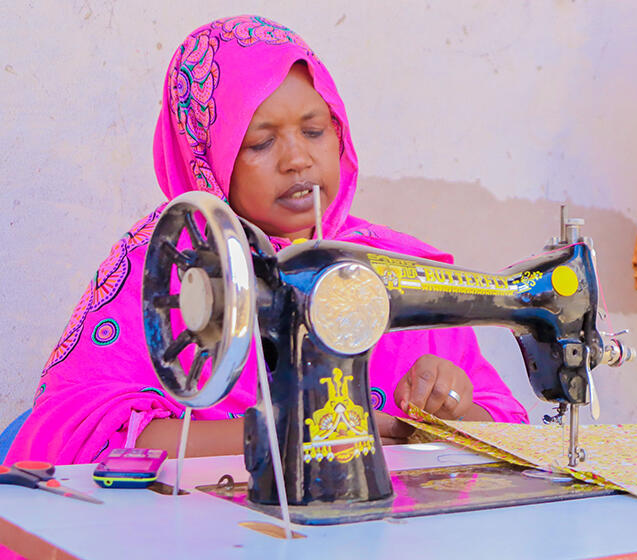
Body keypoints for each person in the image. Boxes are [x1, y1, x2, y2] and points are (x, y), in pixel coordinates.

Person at [5, 15, 527, 465]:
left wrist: (456, 407)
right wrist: (291, 436)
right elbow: (77, 439)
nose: (296, 159)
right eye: (261, 142)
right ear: (207, 159)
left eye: (315, 131)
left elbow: (508, 436)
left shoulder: (401, 268)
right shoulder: (162, 267)